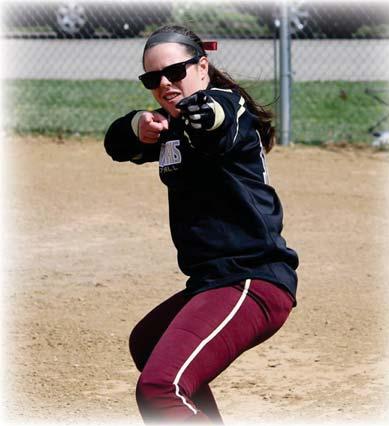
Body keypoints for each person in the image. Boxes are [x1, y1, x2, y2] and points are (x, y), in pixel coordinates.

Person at [104, 25, 299, 424]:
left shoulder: (226, 106)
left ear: (203, 66)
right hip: (212, 282)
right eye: (151, 79)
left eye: (175, 73)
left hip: (252, 279)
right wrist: (137, 124)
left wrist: (201, 113)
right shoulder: (169, 124)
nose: (164, 84)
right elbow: (116, 144)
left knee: (161, 388)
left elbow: (219, 117)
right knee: (148, 342)